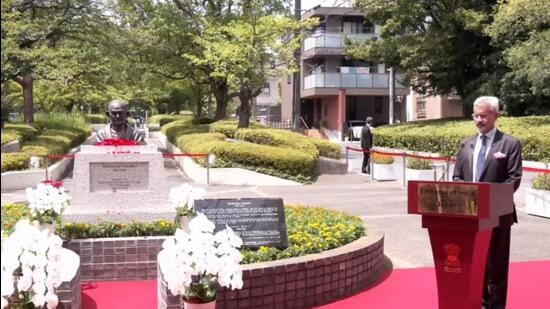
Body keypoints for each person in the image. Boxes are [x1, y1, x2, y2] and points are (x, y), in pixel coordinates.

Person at [452, 96, 522, 309]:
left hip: (498, 215)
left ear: (495, 115)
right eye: (476, 115)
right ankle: (478, 303)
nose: (479, 120)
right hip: (470, 217)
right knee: (475, 265)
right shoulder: (466, 143)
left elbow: (513, 180)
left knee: (496, 266)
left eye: (484, 115)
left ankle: (496, 306)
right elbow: (457, 178)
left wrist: (486, 201)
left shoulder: (509, 144)